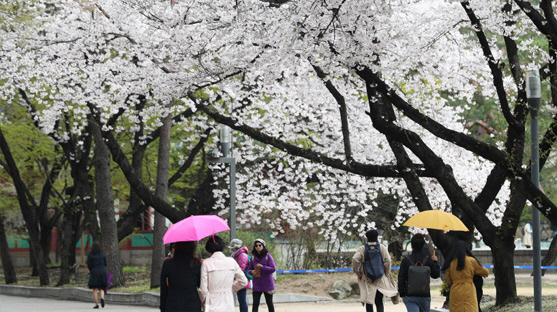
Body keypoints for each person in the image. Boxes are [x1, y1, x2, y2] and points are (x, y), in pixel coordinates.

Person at [352, 229, 399, 312]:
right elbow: (388, 260)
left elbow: (355, 259)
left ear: (367, 238)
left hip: (367, 278)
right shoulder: (382, 247)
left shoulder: (363, 248)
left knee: (369, 302)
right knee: (379, 301)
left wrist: (357, 272)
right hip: (380, 278)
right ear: (377, 237)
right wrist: (386, 272)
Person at [200, 235, 248, 312]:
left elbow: (203, 290)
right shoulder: (231, 261)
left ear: (208, 248)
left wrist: (204, 300)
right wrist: (230, 288)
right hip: (228, 303)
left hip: (212, 303)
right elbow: (243, 281)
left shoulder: (206, 263)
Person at [397, 234, 440, 312]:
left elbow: (401, 278)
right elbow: (436, 275)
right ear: (423, 246)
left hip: (410, 295)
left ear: (412, 246)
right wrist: (435, 262)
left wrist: (402, 294)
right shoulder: (428, 259)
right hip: (424, 295)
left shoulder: (406, 260)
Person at [444, 240, 489, 312]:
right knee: (470, 308)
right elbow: (485, 272)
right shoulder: (471, 261)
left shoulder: (450, 263)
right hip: (469, 288)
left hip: (455, 289)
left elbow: (449, 280)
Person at [159, 241, 202, 312]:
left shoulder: (167, 264)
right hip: (192, 305)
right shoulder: (195, 263)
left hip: (173, 305)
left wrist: (163, 307)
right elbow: (200, 284)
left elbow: (164, 288)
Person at [248, 238, 276, 312]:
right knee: (255, 304)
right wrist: (252, 272)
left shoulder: (268, 256)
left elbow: (273, 268)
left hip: (267, 283)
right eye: (256, 245)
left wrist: (263, 267)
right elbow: (249, 269)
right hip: (257, 284)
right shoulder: (253, 257)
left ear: (263, 246)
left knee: (269, 303)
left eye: (260, 245)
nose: (258, 247)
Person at [229, 238, 251, 312]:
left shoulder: (242, 256)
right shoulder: (237, 255)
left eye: (232, 248)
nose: (232, 250)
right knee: (241, 300)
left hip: (242, 281)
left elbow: (240, 270)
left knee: (242, 300)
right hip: (239, 281)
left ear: (235, 248)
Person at [87, 241, 107, 309]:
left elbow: (89, 265)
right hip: (102, 271)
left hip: (94, 272)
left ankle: (96, 304)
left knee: (95, 289)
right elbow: (105, 263)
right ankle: (102, 298)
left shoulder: (90, 255)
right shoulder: (102, 254)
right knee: (101, 288)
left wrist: (91, 270)